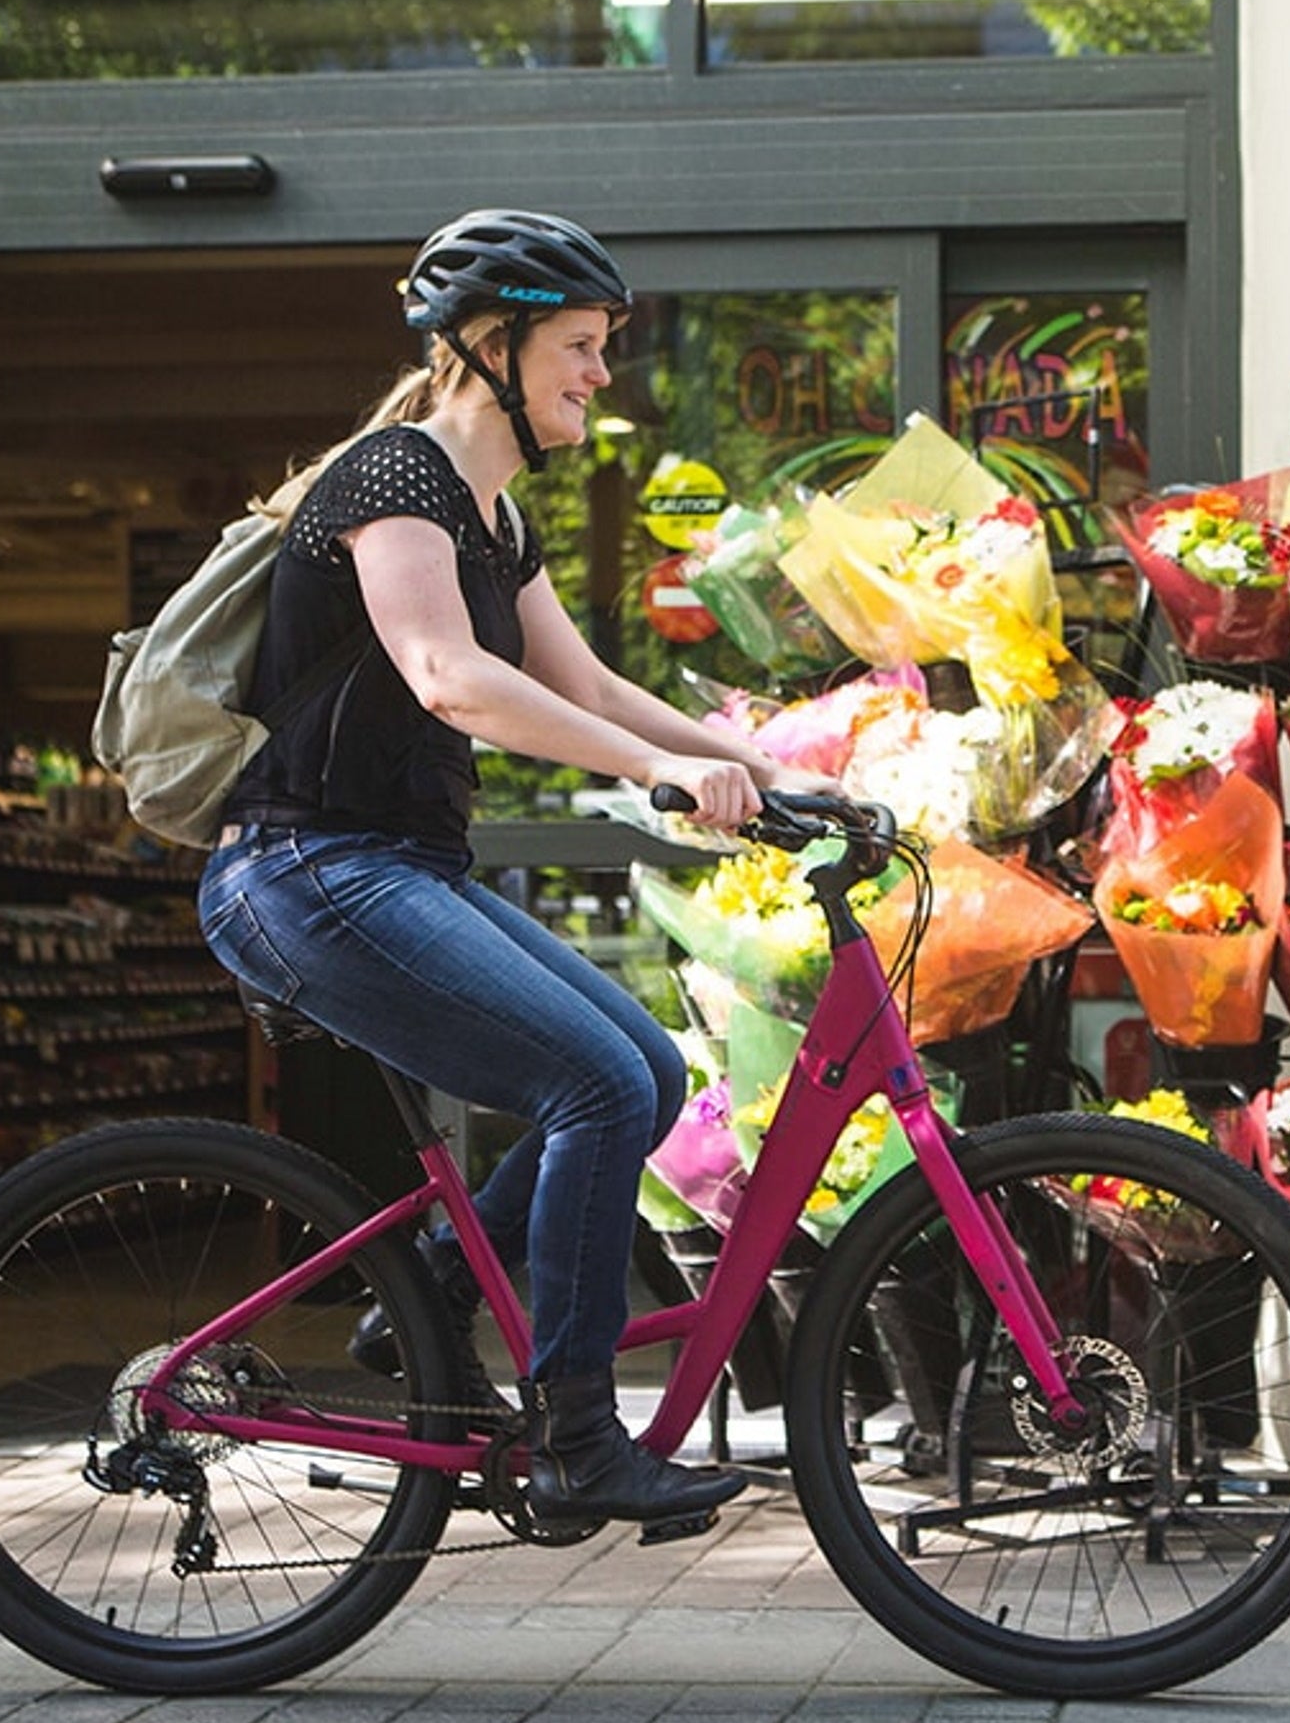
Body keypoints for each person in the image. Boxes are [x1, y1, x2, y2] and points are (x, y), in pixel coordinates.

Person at [198, 209, 830, 1532]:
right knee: (596, 1080)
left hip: (388, 866)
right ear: (490, 346)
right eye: (582, 346)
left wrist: (766, 772)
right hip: (307, 869)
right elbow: (453, 679)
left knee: (647, 1074)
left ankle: (424, 1292)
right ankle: (580, 1434)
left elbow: (585, 682)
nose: (603, 376)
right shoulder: (394, 476)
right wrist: (660, 780)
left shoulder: (492, 514)